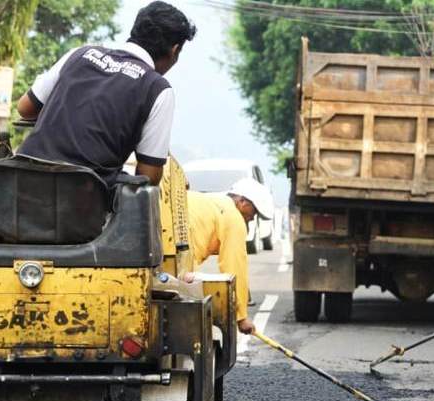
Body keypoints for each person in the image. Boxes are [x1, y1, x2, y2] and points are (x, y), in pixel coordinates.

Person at [16, 1, 196, 187]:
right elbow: (147, 176)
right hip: (82, 204)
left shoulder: (80, 54)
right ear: (174, 50)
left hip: (21, 185)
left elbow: (25, 108)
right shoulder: (157, 89)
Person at [187, 178, 274, 335]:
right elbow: (234, 267)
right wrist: (241, 317)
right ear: (242, 202)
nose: (253, 218)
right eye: (254, 212)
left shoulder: (212, 201)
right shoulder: (234, 218)